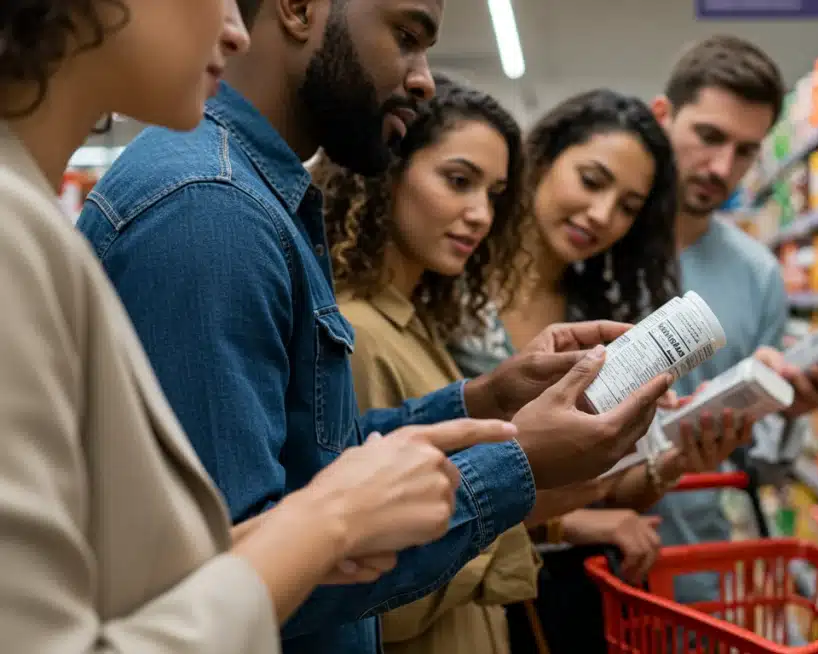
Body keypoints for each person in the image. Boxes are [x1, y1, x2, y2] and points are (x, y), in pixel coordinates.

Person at [74, 1, 671, 653]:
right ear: (299, 8)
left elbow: (312, 468)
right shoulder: (210, 212)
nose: (424, 80)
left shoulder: (252, 199)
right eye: (407, 36)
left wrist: (486, 400)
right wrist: (517, 461)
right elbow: (241, 579)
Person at [0, 0, 518, 652]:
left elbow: (179, 559)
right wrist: (330, 523)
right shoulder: (201, 202)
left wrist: (483, 412)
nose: (237, 28)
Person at [451, 89, 754, 654]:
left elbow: (609, 489)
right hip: (456, 594)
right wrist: (578, 525)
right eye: (592, 181)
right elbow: (424, 467)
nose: (602, 215)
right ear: (541, 161)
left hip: (565, 596)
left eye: (628, 206)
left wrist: (677, 460)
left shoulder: (596, 316)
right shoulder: (452, 284)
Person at [313, 77, 540, 654]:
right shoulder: (358, 334)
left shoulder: (414, 325)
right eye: (458, 181)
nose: (481, 214)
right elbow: (362, 591)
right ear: (387, 172)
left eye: (494, 193)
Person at [646, 35, 818, 603]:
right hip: (582, 561)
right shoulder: (596, 243)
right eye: (708, 137)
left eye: (746, 151)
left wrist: (787, 408)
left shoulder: (759, 275)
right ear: (662, 117)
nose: (722, 167)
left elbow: (762, 467)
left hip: (699, 571)